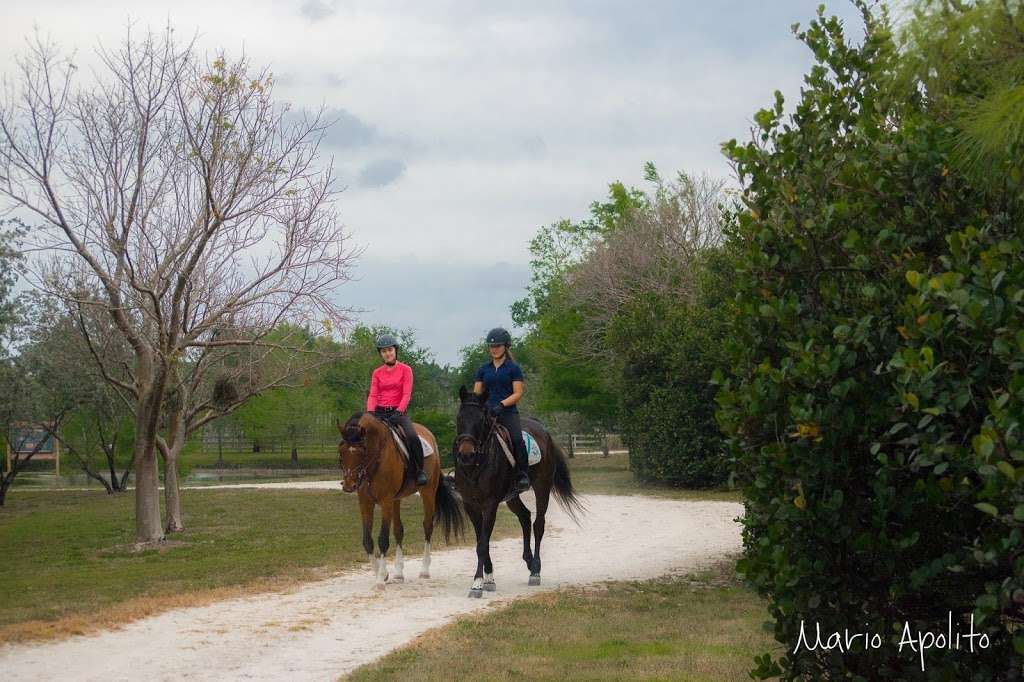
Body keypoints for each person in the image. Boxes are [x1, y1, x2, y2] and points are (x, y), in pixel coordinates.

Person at [474, 327, 530, 493]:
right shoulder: (483, 369)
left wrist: (502, 405)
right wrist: (476, 406)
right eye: (492, 347)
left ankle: (522, 474)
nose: (495, 349)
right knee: (468, 437)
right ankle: (463, 472)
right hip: (487, 412)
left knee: (517, 439)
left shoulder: (513, 368)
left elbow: (518, 393)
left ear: (506, 346)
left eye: (498, 346)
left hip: (507, 412)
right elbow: (477, 393)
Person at [367, 334, 428, 487]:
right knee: (361, 436)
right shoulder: (376, 373)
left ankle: (419, 470)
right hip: (379, 412)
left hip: (398, 413)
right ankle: (360, 473)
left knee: (412, 436)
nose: (387, 353)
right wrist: (370, 413)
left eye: (390, 350)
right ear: (380, 354)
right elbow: (373, 394)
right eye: (384, 351)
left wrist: (399, 412)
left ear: (395, 351)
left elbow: (406, 394)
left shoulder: (406, 370)